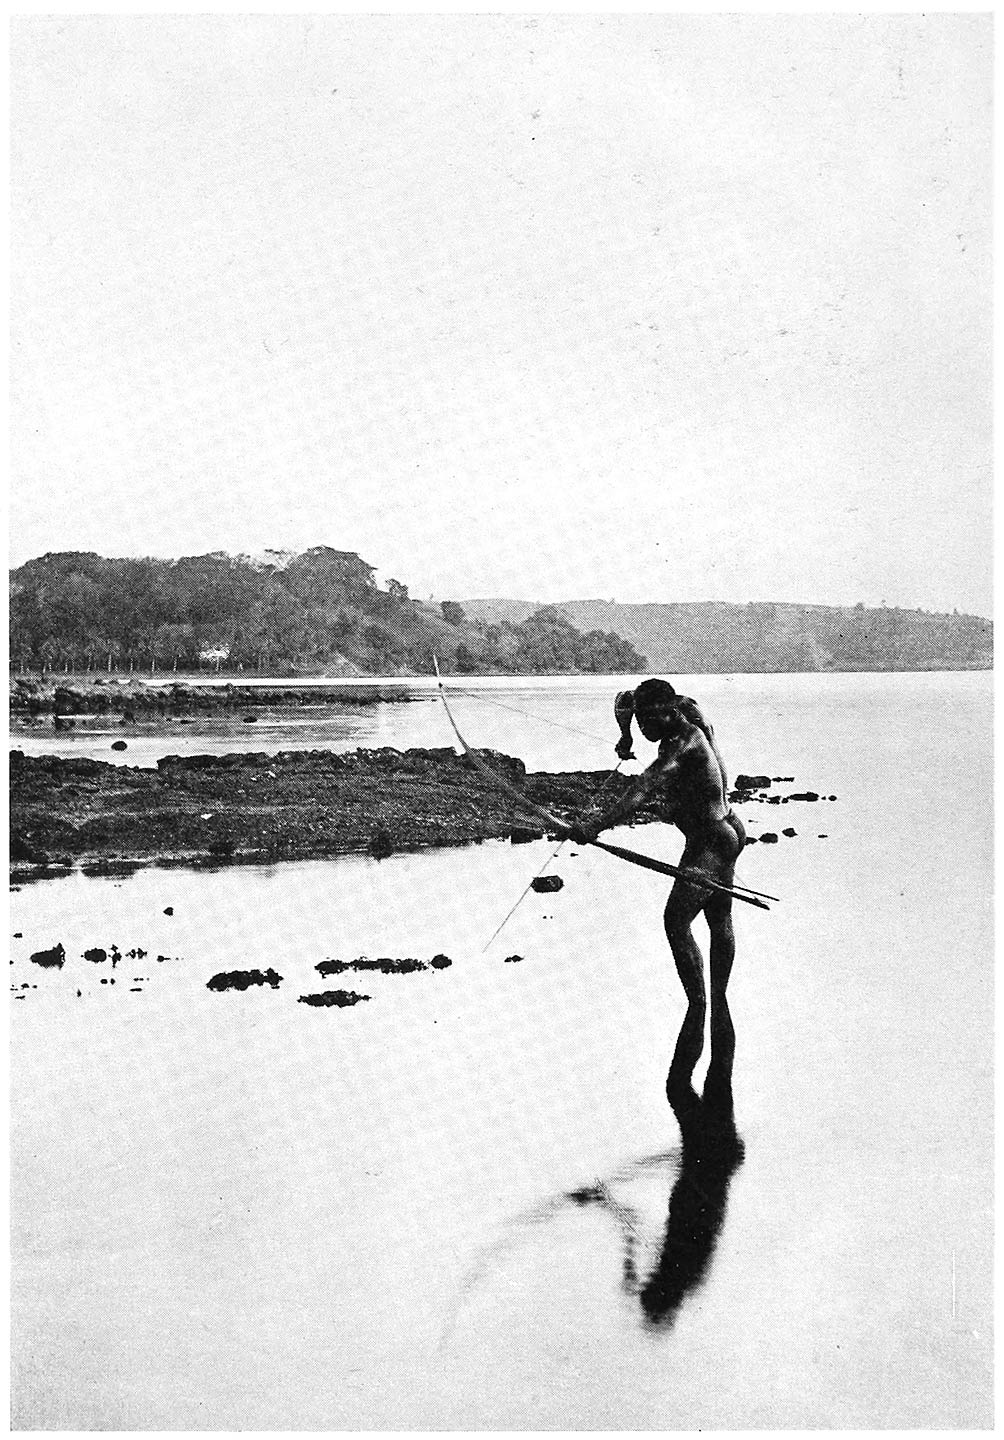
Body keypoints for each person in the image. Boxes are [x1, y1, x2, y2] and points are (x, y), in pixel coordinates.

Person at [572, 678, 745, 1029]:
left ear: (668, 713)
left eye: (648, 722)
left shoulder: (680, 745)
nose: (643, 727)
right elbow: (624, 700)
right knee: (718, 919)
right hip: (726, 828)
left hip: (710, 840)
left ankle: (699, 1007)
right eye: (639, 721)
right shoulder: (687, 710)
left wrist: (593, 828)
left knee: (676, 922)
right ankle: (717, 1004)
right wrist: (626, 736)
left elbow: (643, 788)